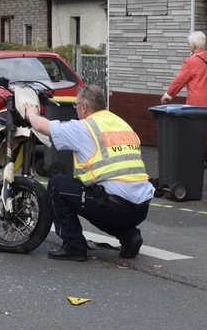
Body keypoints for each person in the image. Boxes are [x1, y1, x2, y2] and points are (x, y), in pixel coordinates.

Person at [24, 84, 154, 262]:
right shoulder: (121, 123)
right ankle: (129, 236)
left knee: (57, 185)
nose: (76, 109)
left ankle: (73, 247)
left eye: (76, 105)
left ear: (83, 107)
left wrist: (30, 112)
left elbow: (42, 126)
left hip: (114, 208)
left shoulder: (86, 127)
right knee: (97, 197)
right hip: (141, 208)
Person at [160, 30, 207, 114]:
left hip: (197, 105)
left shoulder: (190, 61)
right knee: (205, 125)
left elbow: (179, 81)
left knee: (195, 126)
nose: (189, 46)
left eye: (189, 44)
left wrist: (168, 95)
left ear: (193, 46)